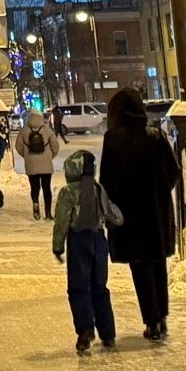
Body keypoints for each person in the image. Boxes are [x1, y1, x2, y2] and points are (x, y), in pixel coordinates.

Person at [99, 88, 183, 339]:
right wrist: (159, 192)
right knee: (158, 264)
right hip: (156, 213)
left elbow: (107, 180)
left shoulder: (113, 139)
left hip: (129, 215)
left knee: (140, 267)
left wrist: (113, 208)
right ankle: (162, 317)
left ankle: (151, 321)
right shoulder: (155, 136)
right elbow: (173, 171)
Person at [49, 149, 118, 354]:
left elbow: (61, 221)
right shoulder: (97, 189)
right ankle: (108, 333)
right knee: (100, 287)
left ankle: (85, 330)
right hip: (99, 240)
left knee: (78, 287)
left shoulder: (69, 192)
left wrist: (58, 246)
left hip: (79, 241)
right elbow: (112, 213)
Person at [18, 108, 61, 217]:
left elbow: (18, 146)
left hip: (31, 165)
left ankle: (36, 204)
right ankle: (48, 213)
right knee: (46, 188)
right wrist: (49, 157)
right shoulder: (47, 130)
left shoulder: (24, 130)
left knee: (34, 187)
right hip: (46, 165)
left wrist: (27, 156)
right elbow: (55, 147)